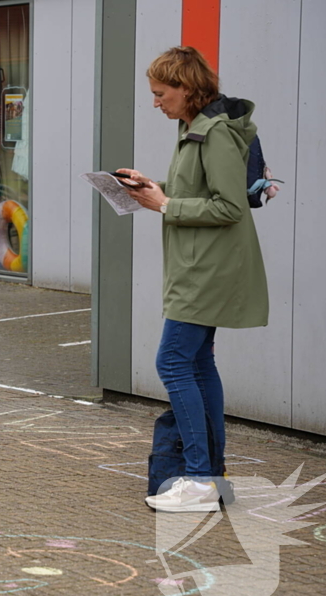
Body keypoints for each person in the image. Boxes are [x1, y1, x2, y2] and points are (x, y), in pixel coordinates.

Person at [115, 46, 269, 513]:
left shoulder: (213, 134)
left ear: (186, 89)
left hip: (207, 272)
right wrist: (152, 187)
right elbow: (199, 191)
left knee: (173, 362)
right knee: (199, 365)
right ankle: (213, 478)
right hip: (199, 268)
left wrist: (164, 204)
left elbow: (229, 207)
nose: (156, 103)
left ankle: (200, 478)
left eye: (162, 94)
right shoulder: (193, 131)